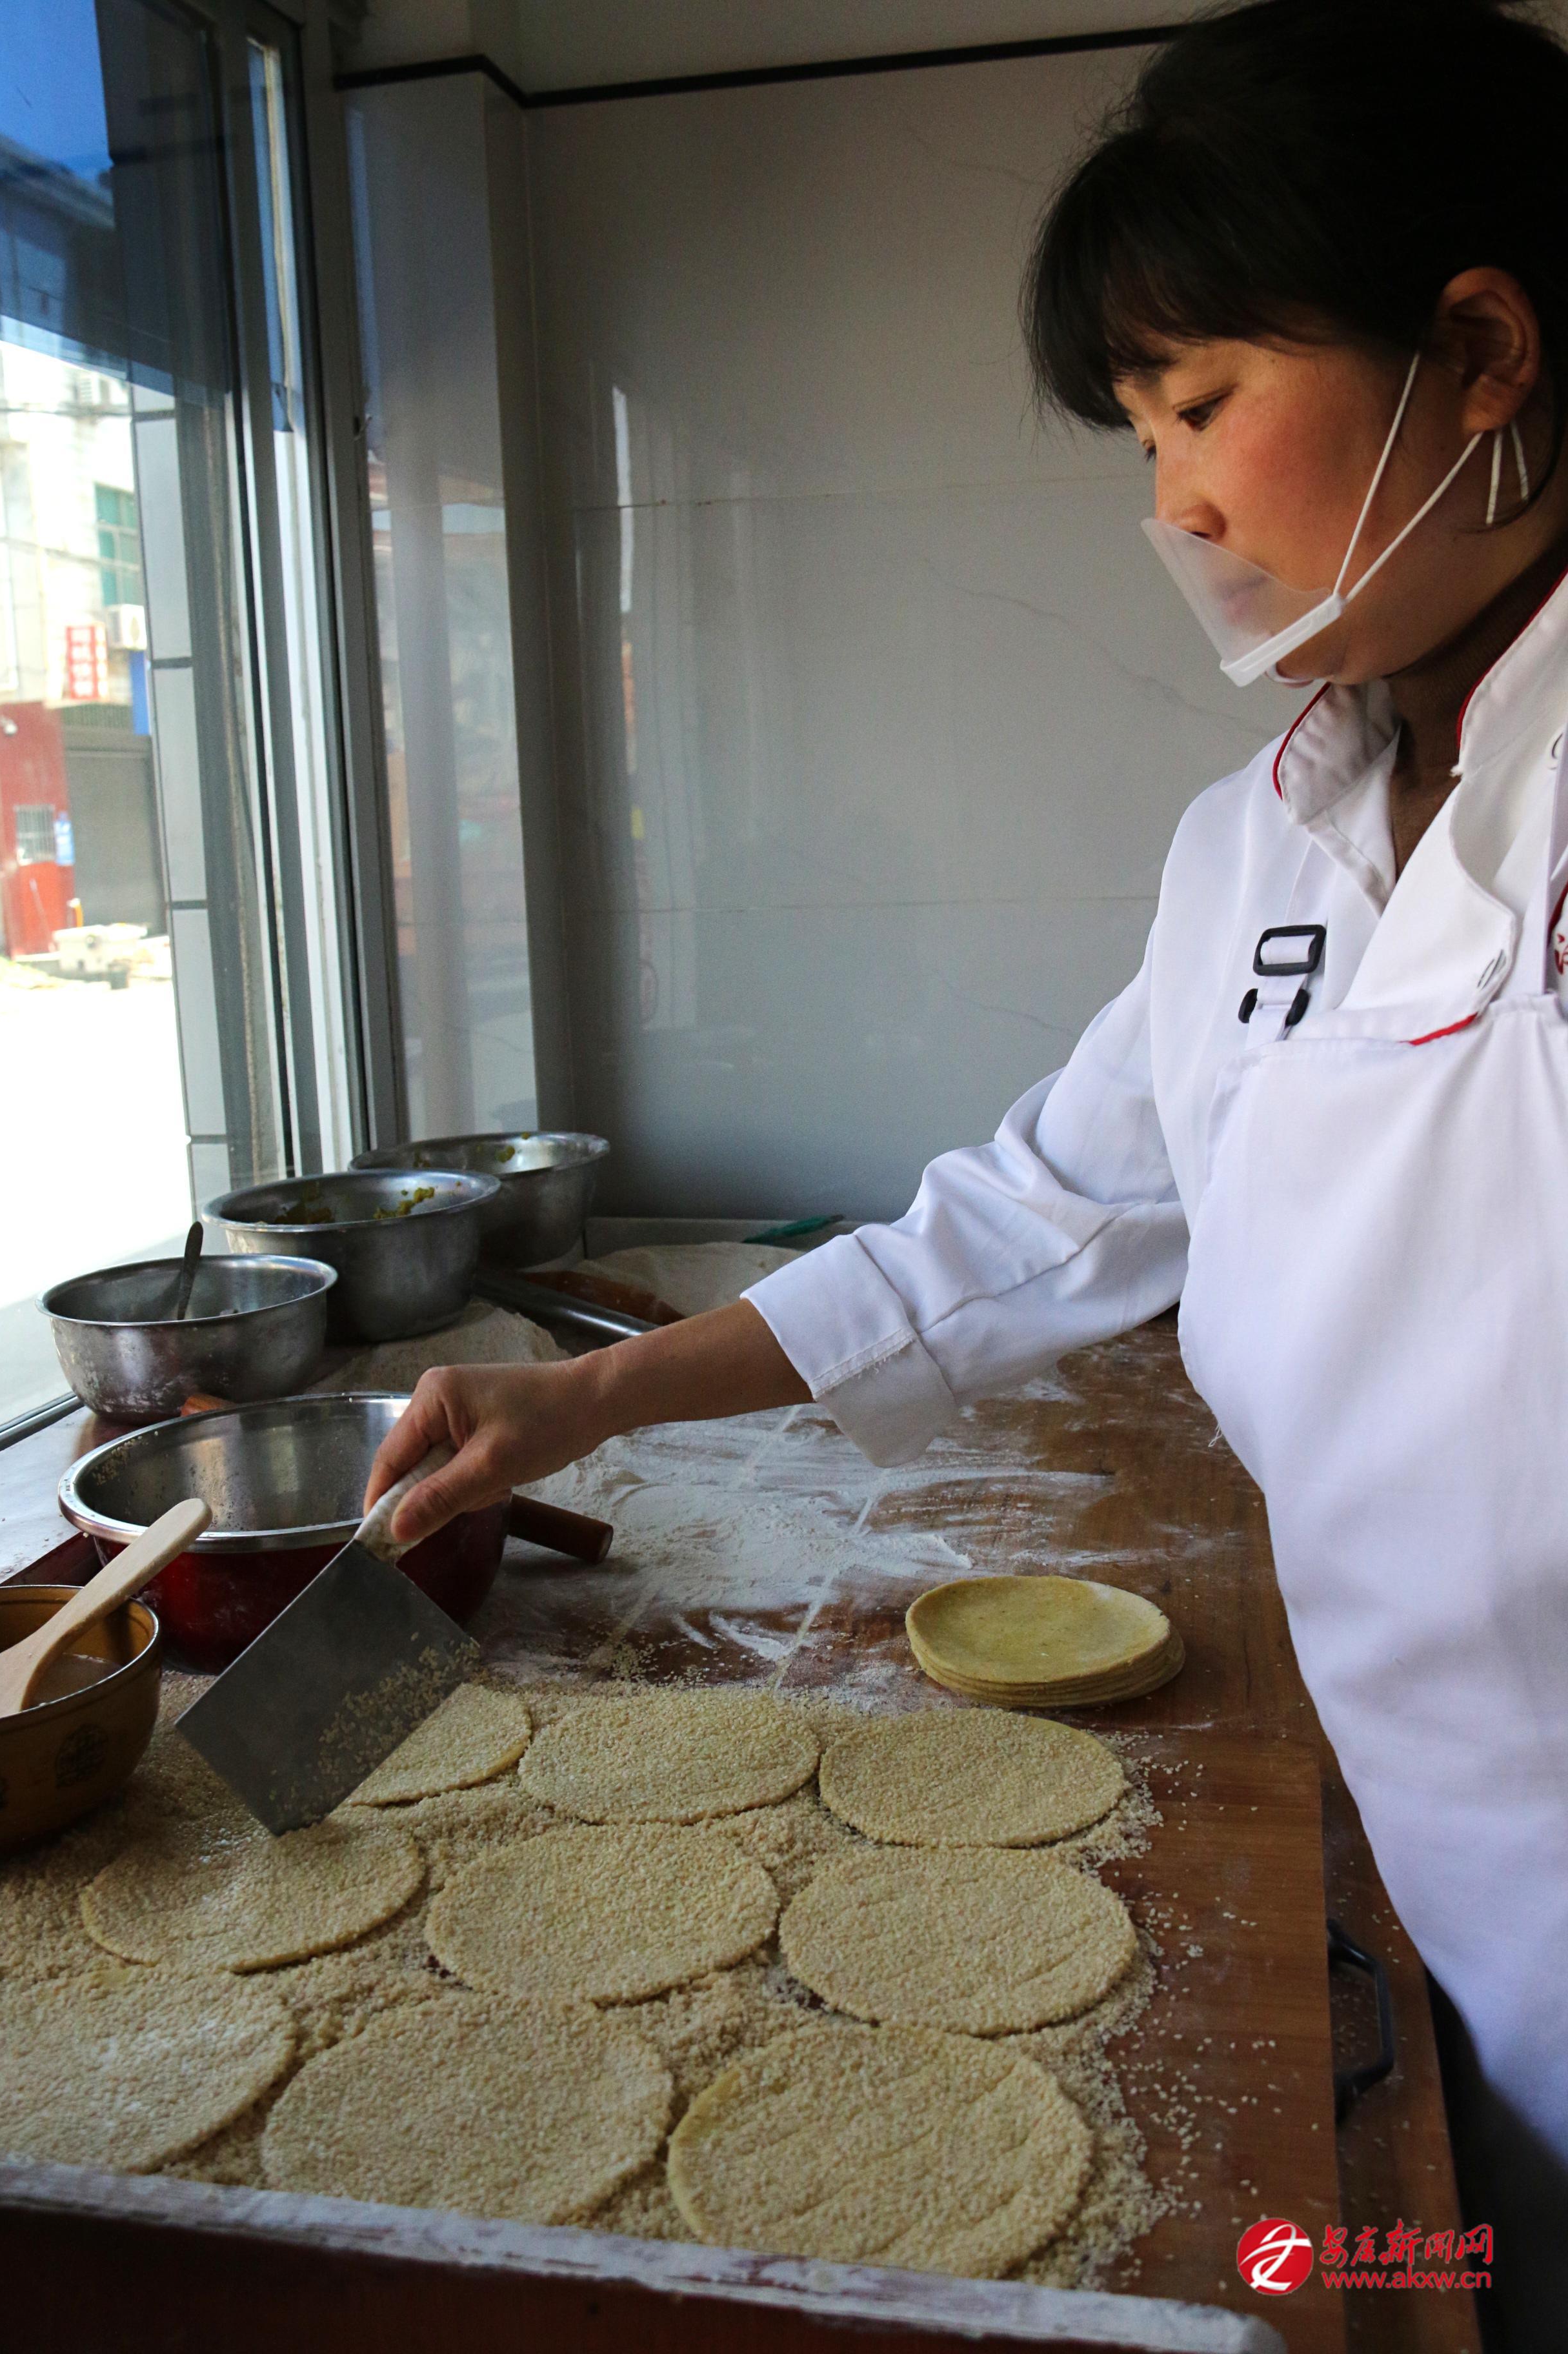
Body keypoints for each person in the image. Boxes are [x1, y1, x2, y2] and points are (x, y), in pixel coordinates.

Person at [368, 0, 1568, 2329]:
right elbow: (1028, 1216)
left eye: (1205, 399)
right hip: (1441, 1861)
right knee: (1415, 2272)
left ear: (1483, 350)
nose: (1172, 507)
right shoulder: (1262, 843)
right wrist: (585, 1399)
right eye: (1143, 432)